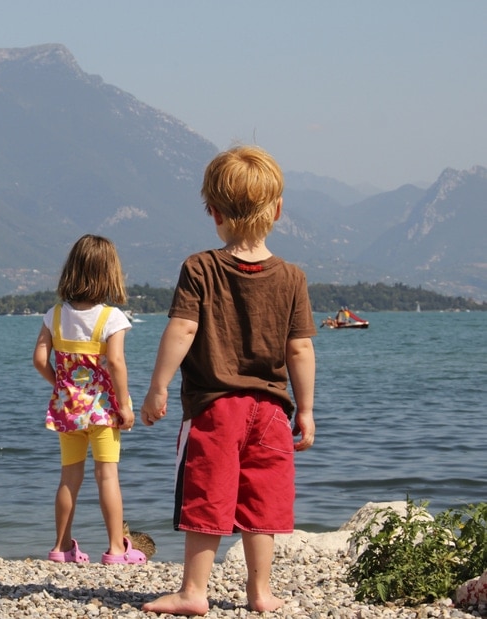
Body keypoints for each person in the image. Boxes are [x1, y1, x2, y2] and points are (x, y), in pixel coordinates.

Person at [139, 145, 316, 614]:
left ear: (213, 212)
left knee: (207, 496)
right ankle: (260, 594)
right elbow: (299, 348)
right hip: (274, 411)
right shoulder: (292, 277)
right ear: (278, 210)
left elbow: (183, 328)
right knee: (264, 503)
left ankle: (194, 592)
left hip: (216, 409)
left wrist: (157, 387)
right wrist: (308, 409)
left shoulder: (200, 267)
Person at [33, 233, 147, 565]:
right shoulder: (111, 318)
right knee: (107, 475)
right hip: (102, 412)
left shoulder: (54, 315)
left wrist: (62, 387)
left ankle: (61, 546)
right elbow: (115, 363)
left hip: (68, 412)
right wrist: (124, 404)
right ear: (110, 273)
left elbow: (40, 360)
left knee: (69, 477)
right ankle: (115, 549)